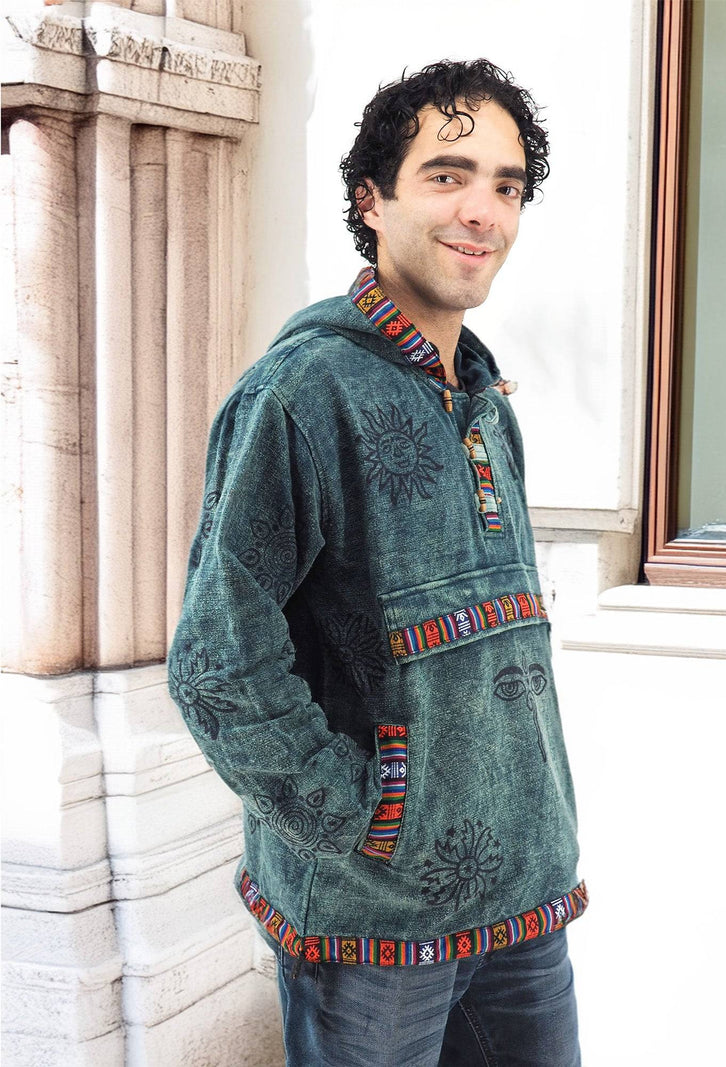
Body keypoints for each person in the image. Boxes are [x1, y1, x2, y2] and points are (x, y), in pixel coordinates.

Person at [168, 58, 586, 1067]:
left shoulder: (484, 402)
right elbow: (217, 663)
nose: (480, 209)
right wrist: (365, 817)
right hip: (374, 928)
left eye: (504, 183)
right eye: (446, 174)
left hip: (523, 900)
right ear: (372, 196)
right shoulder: (302, 394)